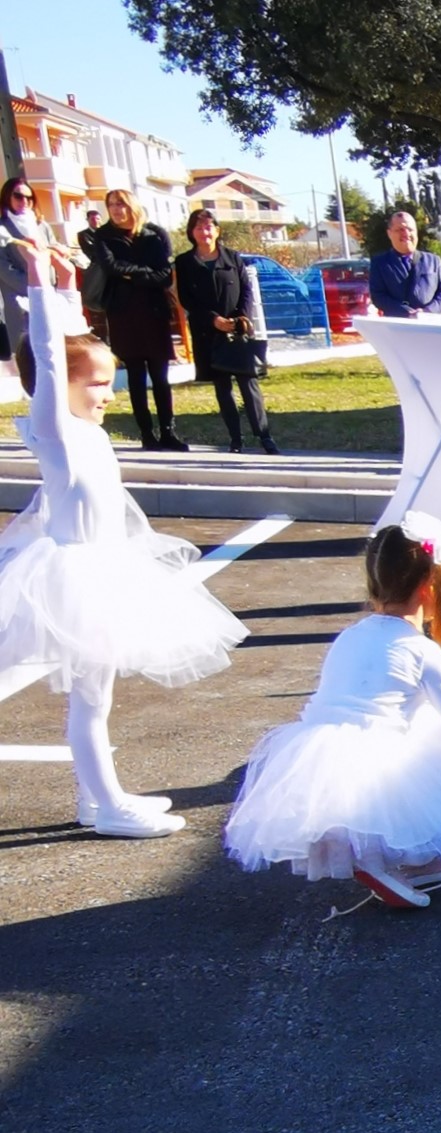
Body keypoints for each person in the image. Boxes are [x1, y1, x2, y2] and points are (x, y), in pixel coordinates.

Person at [0, 254, 245, 837]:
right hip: (73, 577)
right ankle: (106, 806)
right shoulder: (54, 433)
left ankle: (98, 799)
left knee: (97, 698)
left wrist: (62, 286)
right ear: (59, 387)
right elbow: (50, 357)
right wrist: (36, 279)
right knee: (89, 699)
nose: (108, 394)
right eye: (98, 384)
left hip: (105, 570)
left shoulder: (85, 433)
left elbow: (65, 343)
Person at [223, 517, 441, 909]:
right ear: (430, 587)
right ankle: (379, 862)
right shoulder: (422, 651)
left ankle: (417, 859)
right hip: (376, 762)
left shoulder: (350, 636)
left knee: (419, 728)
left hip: (318, 753)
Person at [174, 210, 278, 455]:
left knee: (249, 384)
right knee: (223, 388)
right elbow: (186, 298)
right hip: (208, 333)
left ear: (217, 230)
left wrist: (241, 317)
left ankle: (265, 436)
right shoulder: (185, 262)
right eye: (199, 228)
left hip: (238, 331)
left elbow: (246, 291)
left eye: (209, 227)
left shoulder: (232, 257)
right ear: (191, 232)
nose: (204, 232)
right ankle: (235, 439)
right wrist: (213, 320)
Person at [94, 189, 183, 451]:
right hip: (123, 313)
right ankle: (147, 434)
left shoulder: (155, 234)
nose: (116, 209)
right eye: (111, 205)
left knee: (160, 376)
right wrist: (146, 273)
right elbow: (112, 267)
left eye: (120, 204)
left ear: (131, 205)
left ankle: (169, 432)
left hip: (154, 312)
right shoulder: (104, 236)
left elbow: (165, 275)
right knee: (135, 376)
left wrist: (134, 275)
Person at [1, 175, 57, 395]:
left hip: (49, 295)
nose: (24, 201)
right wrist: (35, 288)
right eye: (18, 196)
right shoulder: (2, 227)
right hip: (21, 299)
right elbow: (3, 269)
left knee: (50, 348)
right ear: (7, 197)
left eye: (29, 197)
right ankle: (34, 397)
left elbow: (51, 255)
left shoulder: (41, 225)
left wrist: (49, 284)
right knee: (28, 352)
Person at [368, 210, 441, 319]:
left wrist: (427, 312)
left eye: (410, 229)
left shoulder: (433, 261)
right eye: (400, 229)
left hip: (431, 325)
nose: (406, 234)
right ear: (389, 233)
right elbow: (378, 296)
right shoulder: (380, 263)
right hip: (399, 327)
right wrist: (407, 313)